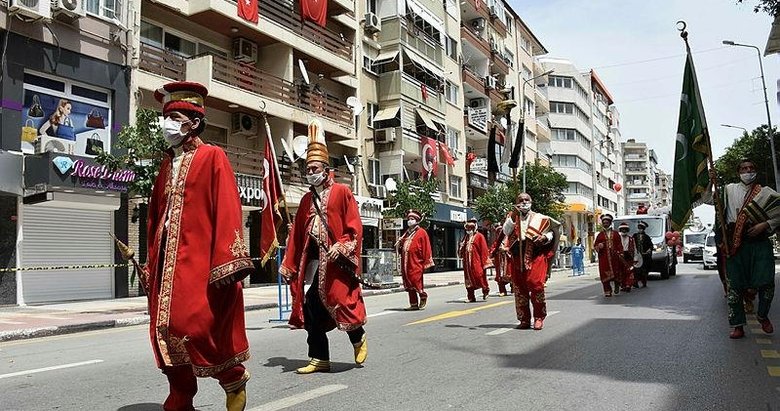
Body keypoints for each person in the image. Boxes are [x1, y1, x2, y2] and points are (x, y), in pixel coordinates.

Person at [144, 81, 254, 410]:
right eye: (165, 117)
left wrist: (227, 263)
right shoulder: (165, 164)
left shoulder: (212, 157)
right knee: (164, 328)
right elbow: (154, 217)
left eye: (175, 117)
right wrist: (152, 260)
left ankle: (232, 377)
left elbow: (228, 208)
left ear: (193, 122)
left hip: (201, 263)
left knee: (197, 325)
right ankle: (180, 394)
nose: (167, 124)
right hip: (167, 267)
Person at [280, 120, 367, 373]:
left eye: (314, 168)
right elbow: (297, 234)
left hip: (337, 260)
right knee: (310, 307)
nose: (310, 172)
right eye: (307, 169)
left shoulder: (342, 192)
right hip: (315, 259)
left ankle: (358, 337)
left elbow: (354, 227)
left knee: (341, 301)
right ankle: (319, 357)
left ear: (326, 170)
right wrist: (290, 264)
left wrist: (342, 246)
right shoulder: (307, 199)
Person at [707, 159, 780, 339]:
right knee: (735, 286)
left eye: (751, 168)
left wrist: (765, 225)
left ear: (756, 171)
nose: (748, 171)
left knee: (767, 283)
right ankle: (738, 325)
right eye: (744, 168)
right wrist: (711, 181)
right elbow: (708, 198)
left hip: (760, 243)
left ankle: (762, 315)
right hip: (735, 243)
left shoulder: (766, 193)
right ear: (738, 172)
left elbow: (778, 215)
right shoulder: (728, 190)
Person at [502, 193, 560, 330]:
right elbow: (506, 231)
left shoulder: (539, 218)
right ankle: (524, 319)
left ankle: (539, 317)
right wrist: (513, 215)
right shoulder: (512, 218)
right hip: (518, 257)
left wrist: (545, 238)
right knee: (520, 289)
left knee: (536, 286)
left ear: (531, 201)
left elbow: (552, 232)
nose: (523, 202)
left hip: (535, 256)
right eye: (520, 200)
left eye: (526, 200)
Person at [396, 209, 434, 310]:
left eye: (412, 219)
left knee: (415, 280)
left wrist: (427, 262)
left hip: (416, 262)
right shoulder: (407, 233)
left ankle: (422, 295)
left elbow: (427, 248)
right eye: (409, 219)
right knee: (408, 284)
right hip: (406, 262)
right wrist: (400, 245)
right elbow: (403, 247)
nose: (410, 221)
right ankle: (413, 304)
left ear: (416, 220)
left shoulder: (422, 232)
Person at [459, 218, 491, 302]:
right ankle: (471, 297)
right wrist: (461, 247)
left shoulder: (480, 236)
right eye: (467, 228)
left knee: (479, 276)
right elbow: (461, 250)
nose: (469, 230)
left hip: (477, 262)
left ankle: (485, 290)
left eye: (470, 228)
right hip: (467, 263)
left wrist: (485, 263)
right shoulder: (465, 237)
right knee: (468, 280)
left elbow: (484, 250)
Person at [594, 214, 623, 297]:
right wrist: (598, 246)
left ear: (610, 223)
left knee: (616, 272)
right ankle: (607, 290)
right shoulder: (600, 235)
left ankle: (617, 285)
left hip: (615, 257)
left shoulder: (616, 234)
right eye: (604, 223)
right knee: (604, 273)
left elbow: (619, 245)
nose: (605, 224)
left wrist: (620, 253)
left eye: (607, 222)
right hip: (604, 257)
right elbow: (595, 245)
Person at [489, 223, 511, 296]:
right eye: (498, 232)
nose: (499, 234)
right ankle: (502, 291)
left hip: (508, 261)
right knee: (499, 277)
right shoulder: (496, 242)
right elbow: (492, 249)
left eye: (500, 232)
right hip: (499, 261)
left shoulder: (509, 240)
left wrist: (505, 249)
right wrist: (494, 252)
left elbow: (512, 248)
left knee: (511, 275)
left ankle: (513, 288)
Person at [617, 222, 638, 293]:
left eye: (625, 229)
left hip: (629, 256)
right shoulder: (617, 238)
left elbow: (634, 249)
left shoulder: (631, 239)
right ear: (620, 230)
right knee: (621, 272)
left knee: (630, 271)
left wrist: (635, 258)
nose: (624, 230)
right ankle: (624, 285)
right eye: (622, 229)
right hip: (620, 257)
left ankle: (628, 285)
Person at [633, 221, 653, 288]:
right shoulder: (634, 236)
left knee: (643, 270)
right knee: (635, 269)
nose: (639, 229)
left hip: (644, 256)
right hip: (636, 255)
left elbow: (650, 246)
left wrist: (648, 250)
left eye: (641, 228)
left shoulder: (647, 237)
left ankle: (644, 282)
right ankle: (635, 282)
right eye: (639, 228)